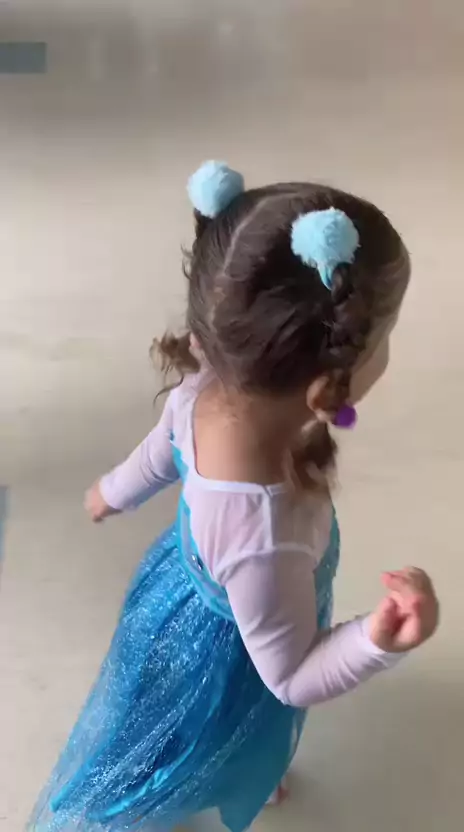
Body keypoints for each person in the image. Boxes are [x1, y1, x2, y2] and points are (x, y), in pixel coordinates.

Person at [28, 161, 438, 832]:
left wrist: (113, 493)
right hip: (224, 660)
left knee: (202, 730)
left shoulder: (207, 390)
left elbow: (160, 451)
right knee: (200, 736)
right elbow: (293, 675)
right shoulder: (265, 534)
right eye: (381, 339)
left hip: (192, 594)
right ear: (324, 387)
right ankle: (223, 770)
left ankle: (237, 764)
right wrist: (377, 639)